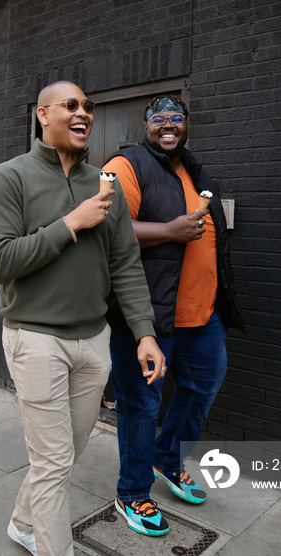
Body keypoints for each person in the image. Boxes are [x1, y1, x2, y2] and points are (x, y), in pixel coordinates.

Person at [0, 81, 166, 556]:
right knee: (55, 459)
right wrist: (71, 223)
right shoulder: (9, 177)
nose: (84, 113)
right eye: (71, 105)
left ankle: (23, 524)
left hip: (93, 341)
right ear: (43, 115)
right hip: (35, 338)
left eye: (88, 107)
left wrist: (144, 333)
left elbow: (125, 263)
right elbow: (0, 260)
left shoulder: (105, 185)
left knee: (66, 454)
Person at [103, 94, 244, 537]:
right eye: (158, 119)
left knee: (204, 384)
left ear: (187, 125)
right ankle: (132, 494)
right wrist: (169, 230)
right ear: (145, 125)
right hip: (147, 318)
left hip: (202, 316)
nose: (168, 125)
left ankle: (167, 459)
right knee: (141, 405)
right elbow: (109, 231)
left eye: (176, 118)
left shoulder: (198, 173)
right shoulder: (129, 166)